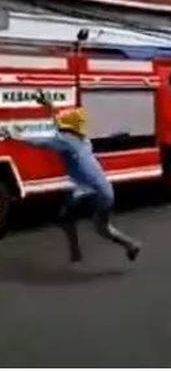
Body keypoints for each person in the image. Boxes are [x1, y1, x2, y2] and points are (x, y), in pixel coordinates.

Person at [5, 92, 141, 263]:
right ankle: (131, 245)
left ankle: (76, 252)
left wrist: (14, 135)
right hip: (106, 191)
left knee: (65, 218)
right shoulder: (83, 140)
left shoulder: (66, 140)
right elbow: (58, 120)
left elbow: (40, 142)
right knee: (102, 227)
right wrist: (48, 104)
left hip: (90, 192)